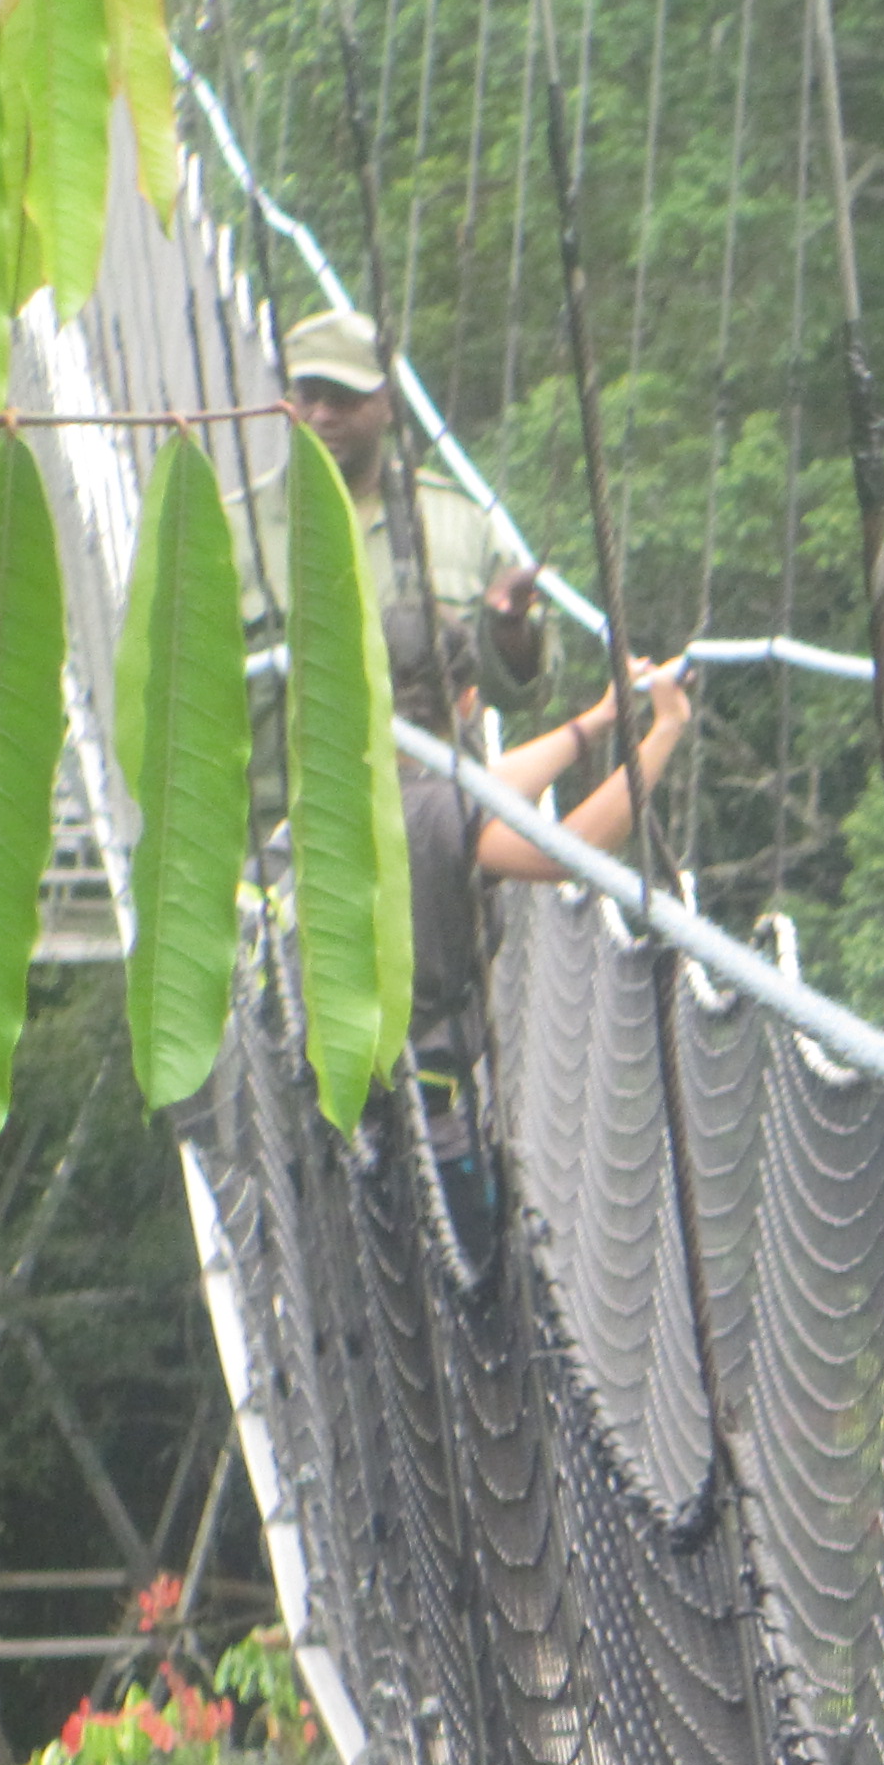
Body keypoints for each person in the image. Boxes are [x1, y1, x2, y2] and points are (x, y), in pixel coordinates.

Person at [391, 660, 696, 1257]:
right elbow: (566, 853)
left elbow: (481, 793)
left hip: (355, 1117)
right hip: (425, 1142)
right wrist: (664, 732)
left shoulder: (365, 783)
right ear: (468, 702)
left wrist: (598, 722)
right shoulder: (435, 812)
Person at [242, 308, 546, 723]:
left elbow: (528, 691)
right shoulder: (233, 529)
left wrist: (509, 632)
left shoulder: (461, 525)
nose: (322, 415)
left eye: (344, 398)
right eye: (308, 396)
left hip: (427, 762)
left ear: (389, 404)